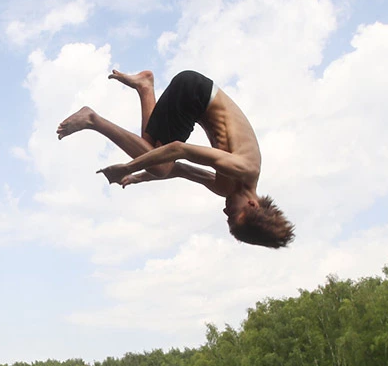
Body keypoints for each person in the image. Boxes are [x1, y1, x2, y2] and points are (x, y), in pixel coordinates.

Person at [57, 70, 293, 247]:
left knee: (151, 152)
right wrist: (127, 167)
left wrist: (138, 177)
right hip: (195, 91)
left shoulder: (225, 188)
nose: (225, 212)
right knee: (158, 164)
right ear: (252, 205)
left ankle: (145, 87)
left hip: (195, 104)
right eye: (232, 215)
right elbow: (180, 150)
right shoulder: (245, 168)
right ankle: (92, 119)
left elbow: (179, 169)